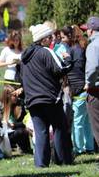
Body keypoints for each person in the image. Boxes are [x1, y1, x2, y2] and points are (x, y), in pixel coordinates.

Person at [21, 23, 73, 167]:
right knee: (59, 127)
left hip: (32, 99)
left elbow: (22, 78)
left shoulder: (25, 56)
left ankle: (41, 164)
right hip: (50, 98)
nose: (52, 39)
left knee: (41, 131)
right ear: (43, 39)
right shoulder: (46, 52)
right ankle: (62, 160)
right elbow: (62, 68)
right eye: (49, 37)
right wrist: (67, 58)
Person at [60, 25, 94, 155]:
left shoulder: (76, 50)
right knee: (85, 120)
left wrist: (66, 59)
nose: (62, 40)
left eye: (63, 37)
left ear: (70, 36)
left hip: (80, 89)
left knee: (78, 120)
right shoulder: (76, 48)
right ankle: (89, 147)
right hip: (82, 89)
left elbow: (77, 69)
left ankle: (79, 149)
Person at [0, 85, 31, 154]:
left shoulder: (19, 104)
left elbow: (24, 122)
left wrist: (13, 125)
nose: (17, 97)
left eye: (17, 95)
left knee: (23, 131)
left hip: (15, 130)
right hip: (3, 133)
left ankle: (25, 149)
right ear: (7, 96)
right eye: (14, 95)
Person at [84, 17, 99, 146]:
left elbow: (93, 68)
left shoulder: (93, 45)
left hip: (96, 92)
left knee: (98, 127)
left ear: (91, 30)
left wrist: (89, 83)